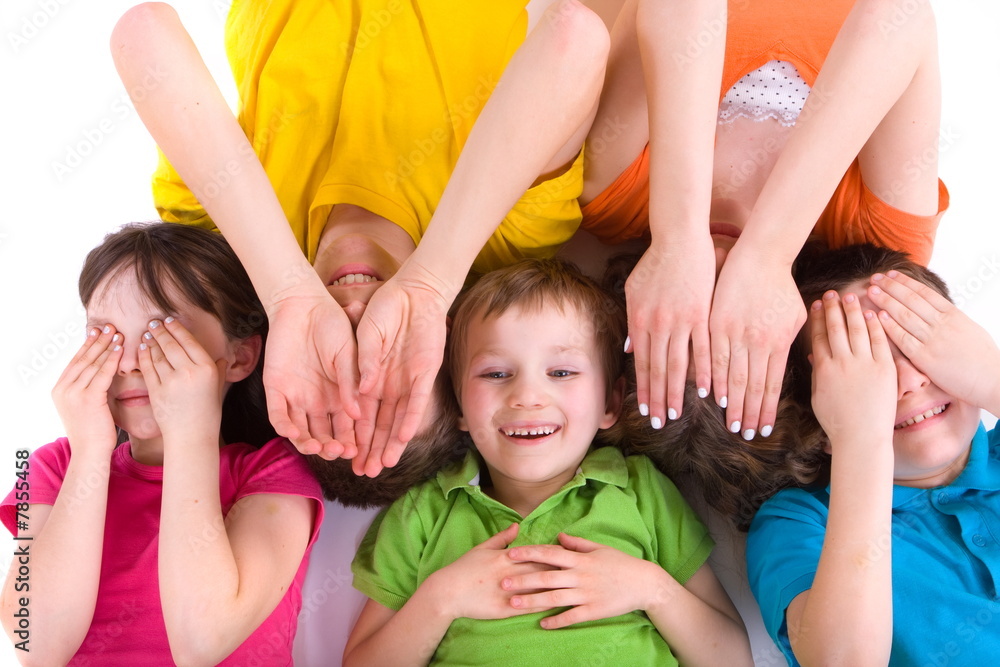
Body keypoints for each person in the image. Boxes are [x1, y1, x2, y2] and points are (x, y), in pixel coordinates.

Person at [111, 0, 609, 474]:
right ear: (445, 346)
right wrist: (430, 287)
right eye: (380, 353)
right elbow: (573, 34)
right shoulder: (503, 234)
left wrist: (287, 294)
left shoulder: (235, 234)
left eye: (330, 358)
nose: (353, 317)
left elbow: (143, 32)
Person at [344, 258, 752, 666]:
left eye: (560, 372)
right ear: (460, 406)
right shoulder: (424, 512)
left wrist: (651, 589)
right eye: (496, 373)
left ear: (610, 402)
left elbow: (732, 659)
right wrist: (440, 599)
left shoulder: (640, 490)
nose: (527, 395)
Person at [578, 0, 947, 444]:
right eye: (735, 334)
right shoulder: (874, 247)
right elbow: (899, 14)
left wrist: (678, 238)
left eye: (689, 326)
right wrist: (768, 255)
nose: (713, 291)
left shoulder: (617, 199)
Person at [0, 223, 323, 665]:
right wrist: (91, 453)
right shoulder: (50, 466)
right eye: (105, 337)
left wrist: (190, 431)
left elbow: (203, 640)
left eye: (160, 332)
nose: (129, 363)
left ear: (241, 356)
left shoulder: (274, 471)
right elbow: (34, 645)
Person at [744, 243, 1000, 664]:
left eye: (918, 344)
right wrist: (860, 437)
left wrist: (991, 378)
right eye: (869, 368)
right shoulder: (799, 523)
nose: (909, 382)